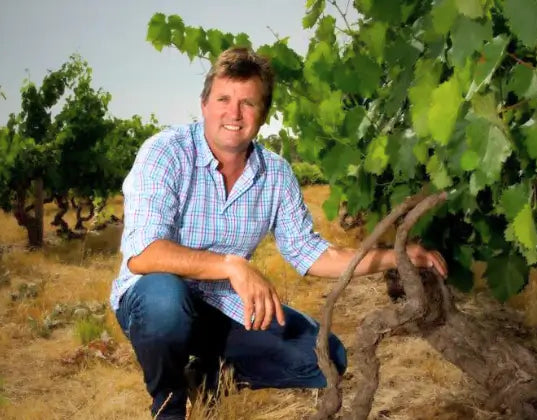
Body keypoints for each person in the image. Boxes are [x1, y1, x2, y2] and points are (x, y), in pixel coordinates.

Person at [110, 47, 448, 419]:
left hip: (224, 306)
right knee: (165, 300)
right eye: (223, 99)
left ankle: (205, 378)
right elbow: (143, 254)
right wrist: (232, 265)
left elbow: (310, 252)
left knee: (326, 357)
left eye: (248, 103)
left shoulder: (275, 173)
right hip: (154, 299)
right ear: (204, 104)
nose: (234, 114)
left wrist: (398, 257)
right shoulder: (165, 152)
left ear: (263, 114)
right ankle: (169, 403)